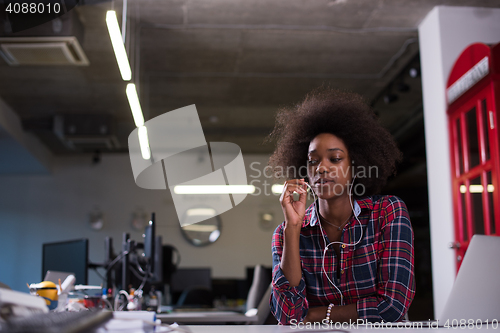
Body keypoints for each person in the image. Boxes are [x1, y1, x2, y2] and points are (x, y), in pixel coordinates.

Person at [267, 88, 415, 325]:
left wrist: (317, 314)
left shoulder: (388, 212)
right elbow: (288, 315)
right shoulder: (285, 234)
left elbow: (392, 306)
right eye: (313, 161)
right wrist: (293, 228)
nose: (321, 168)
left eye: (334, 159)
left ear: (355, 166)